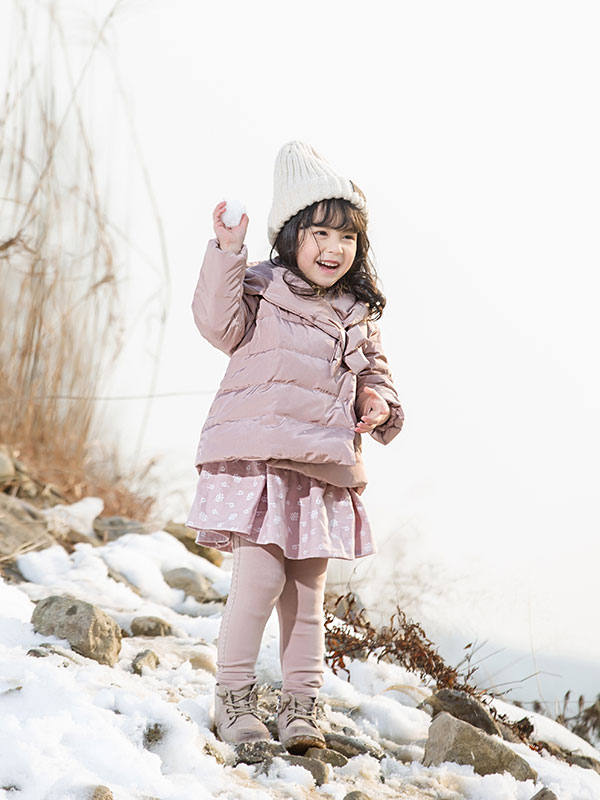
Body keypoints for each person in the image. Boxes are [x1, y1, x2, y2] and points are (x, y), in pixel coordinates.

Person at [185, 140, 404, 754]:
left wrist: (376, 402)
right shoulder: (260, 289)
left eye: (347, 238)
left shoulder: (357, 312)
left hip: (324, 468)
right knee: (258, 582)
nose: (334, 249)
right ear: (290, 236)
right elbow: (216, 323)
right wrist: (228, 250)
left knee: (307, 600)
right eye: (320, 234)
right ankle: (233, 698)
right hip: (262, 461)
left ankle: (302, 707)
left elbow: (376, 374)